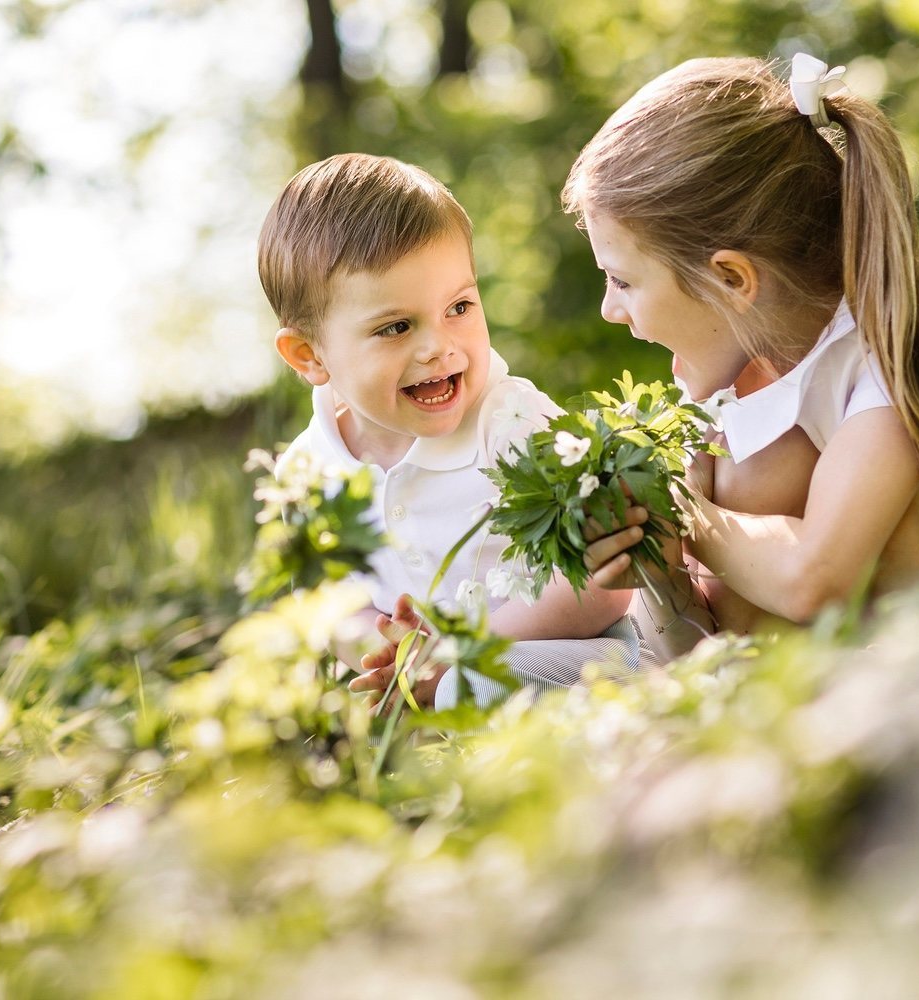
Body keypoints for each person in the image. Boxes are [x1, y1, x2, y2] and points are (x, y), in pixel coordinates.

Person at [564, 55, 919, 657]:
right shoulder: (738, 376)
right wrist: (660, 567)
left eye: (624, 282)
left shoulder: (905, 325)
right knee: (746, 482)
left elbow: (816, 578)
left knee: (772, 479)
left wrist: (684, 516)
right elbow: (701, 647)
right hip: (835, 676)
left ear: (733, 279)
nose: (610, 309)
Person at [257, 153, 645, 706]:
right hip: (437, 683)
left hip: (575, 656)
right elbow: (335, 603)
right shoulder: (308, 473)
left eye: (459, 306)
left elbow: (604, 584)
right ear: (309, 355)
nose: (439, 345)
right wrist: (396, 659)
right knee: (368, 717)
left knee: (478, 684)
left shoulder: (511, 422)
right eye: (396, 326)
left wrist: (464, 655)